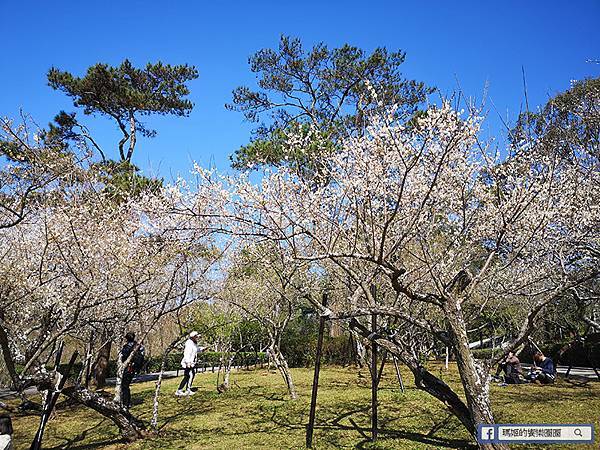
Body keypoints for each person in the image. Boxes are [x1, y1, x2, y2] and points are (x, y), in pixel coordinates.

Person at [120, 332, 145, 409]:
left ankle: (126, 403)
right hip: (134, 368)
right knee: (125, 385)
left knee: (124, 386)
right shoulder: (138, 346)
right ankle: (126, 402)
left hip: (128, 367)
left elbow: (123, 356)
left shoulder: (127, 347)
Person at [175, 331, 202, 396]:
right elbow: (187, 353)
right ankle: (186, 390)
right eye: (196, 337)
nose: (197, 338)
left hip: (191, 363)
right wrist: (188, 362)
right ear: (193, 337)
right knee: (190, 375)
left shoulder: (193, 343)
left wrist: (202, 349)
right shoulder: (189, 343)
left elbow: (196, 349)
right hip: (188, 363)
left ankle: (181, 390)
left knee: (188, 376)